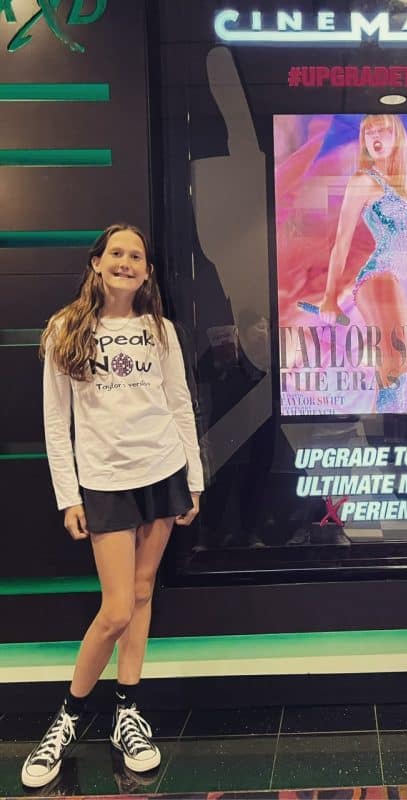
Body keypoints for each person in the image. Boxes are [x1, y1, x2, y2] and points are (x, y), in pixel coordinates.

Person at [21, 224, 204, 789]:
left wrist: (192, 479)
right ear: (97, 262)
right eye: (117, 253)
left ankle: (128, 710)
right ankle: (68, 718)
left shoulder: (160, 330)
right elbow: (57, 422)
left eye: (136, 255)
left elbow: (179, 405)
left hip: (162, 473)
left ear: (146, 271)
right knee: (117, 607)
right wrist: (67, 495)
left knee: (144, 592)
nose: (127, 262)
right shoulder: (64, 329)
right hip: (104, 483)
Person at [316, 114, 407, 412]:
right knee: (395, 361)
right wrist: (329, 298)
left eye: (384, 131)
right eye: (370, 133)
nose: (376, 138)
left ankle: (389, 437)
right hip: (381, 275)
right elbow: (342, 241)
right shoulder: (363, 182)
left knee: (400, 370)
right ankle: (387, 434)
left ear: (398, 137)